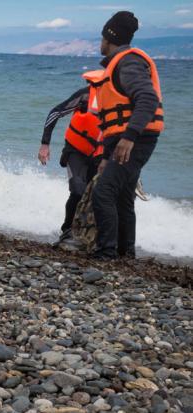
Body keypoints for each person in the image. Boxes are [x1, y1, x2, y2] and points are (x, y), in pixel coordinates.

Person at [83, 11, 164, 259]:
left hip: (135, 140)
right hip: (125, 141)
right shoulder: (120, 63)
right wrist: (106, 155)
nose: (101, 43)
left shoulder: (128, 62)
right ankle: (125, 252)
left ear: (109, 38)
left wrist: (129, 137)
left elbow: (148, 98)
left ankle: (106, 252)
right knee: (122, 196)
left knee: (103, 192)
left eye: (102, 38)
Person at [38, 83, 103, 243]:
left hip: (100, 155)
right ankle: (67, 230)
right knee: (78, 190)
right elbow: (55, 113)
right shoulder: (86, 95)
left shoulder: (119, 100)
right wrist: (45, 144)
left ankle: (90, 234)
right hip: (75, 150)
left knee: (97, 196)